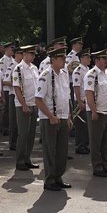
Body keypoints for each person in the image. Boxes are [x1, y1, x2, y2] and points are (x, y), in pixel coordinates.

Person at [35, 47, 72, 190]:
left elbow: (66, 96)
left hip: (62, 117)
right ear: (54, 59)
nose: (65, 61)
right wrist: (50, 116)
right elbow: (38, 100)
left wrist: (68, 117)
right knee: (50, 150)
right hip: (49, 118)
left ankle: (58, 177)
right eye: (62, 58)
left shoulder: (63, 74)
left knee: (62, 150)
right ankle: (50, 180)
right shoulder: (45, 75)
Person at [85, 49, 107, 178]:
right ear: (97, 60)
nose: (106, 61)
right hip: (98, 112)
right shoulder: (92, 74)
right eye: (104, 59)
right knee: (96, 141)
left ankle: (105, 164)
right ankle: (97, 166)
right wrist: (93, 111)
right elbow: (89, 93)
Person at [12, 44, 40, 172]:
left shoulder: (34, 68)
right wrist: (23, 105)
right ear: (24, 55)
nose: (33, 56)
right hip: (23, 104)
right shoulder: (18, 69)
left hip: (33, 103)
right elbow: (17, 88)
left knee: (31, 134)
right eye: (30, 54)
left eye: (34, 54)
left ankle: (27, 158)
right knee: (23, 133)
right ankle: (20, 160)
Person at [71, 49, 91, 154]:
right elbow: (76, 87)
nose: (89, 59)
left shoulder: (88, 69)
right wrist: (79, 101)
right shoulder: (78, 71)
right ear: (82, 58)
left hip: (87, 100)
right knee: (80, 125)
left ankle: (85, 145)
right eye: (87, 57)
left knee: (86, 125)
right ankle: (79, 146)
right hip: (81, 100)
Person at [0, 40, 16, 140]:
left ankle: (9, 126)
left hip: (12, 88)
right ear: (6, 49)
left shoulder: (13, 61)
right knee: (6, 109)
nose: (12, 50)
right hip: (6, 88)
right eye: (11, 48)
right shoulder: (2, 61)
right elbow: (2, 78)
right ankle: (5, 127)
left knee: (10, 110)